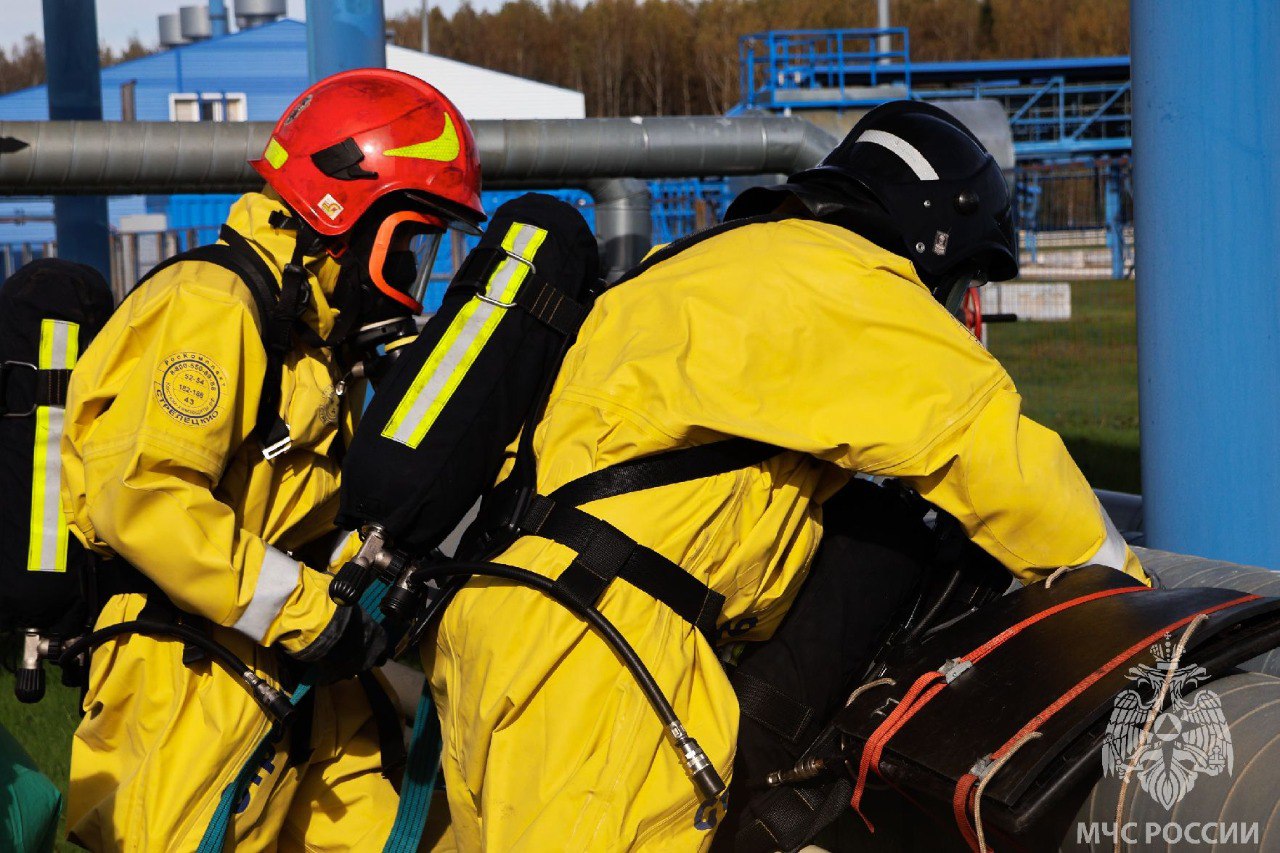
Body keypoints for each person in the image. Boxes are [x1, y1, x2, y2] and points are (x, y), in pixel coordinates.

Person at [424, 101, 1144, 850]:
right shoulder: (852, 280)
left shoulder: (704, 260)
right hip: (597, 659)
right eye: (958, 281)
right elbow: (987, 446)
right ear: (934, 237)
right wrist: (1128, 605)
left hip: (507, 619)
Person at [60, 68, 484, 851]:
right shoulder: (210, 307)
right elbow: (146, 497)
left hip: (297, 677)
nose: (414, 287)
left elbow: (302, 521)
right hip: (182, 681)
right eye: (410, 241)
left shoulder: (314, 348)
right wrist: (309, 612)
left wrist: (381, 576)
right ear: (343, 209)